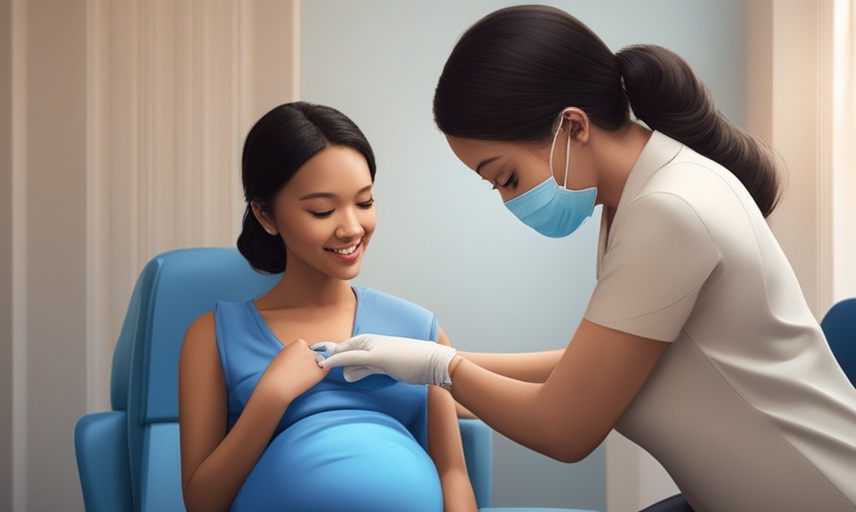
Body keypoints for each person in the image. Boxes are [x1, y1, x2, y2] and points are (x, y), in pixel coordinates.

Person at [318, 5, 856, 511]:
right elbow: (591, 365)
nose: (508, 200)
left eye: (505, 177)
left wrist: (442, 367)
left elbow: (565, 428)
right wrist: (413, 362)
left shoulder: (670, 210)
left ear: (572, 126)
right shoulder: (634, 198)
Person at [178, 101, 478, 512]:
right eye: (322, 210)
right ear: (266, 215)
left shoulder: (417, 326)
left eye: (365, 202)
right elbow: (201, 502)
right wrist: (270, 398)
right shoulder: (212, 336)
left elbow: (453, 473)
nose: (352, 227)